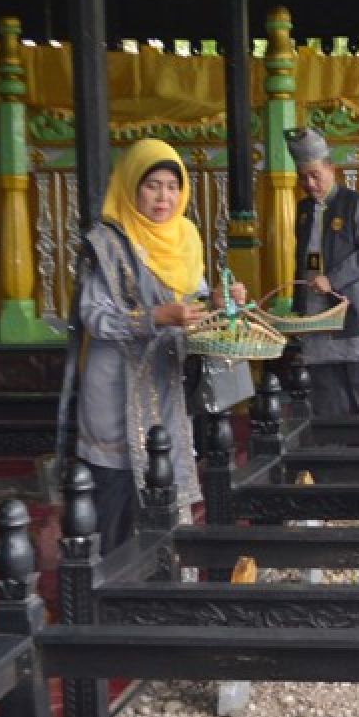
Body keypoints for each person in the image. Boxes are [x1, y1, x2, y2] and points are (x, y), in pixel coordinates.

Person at [72, 138, 244, 554]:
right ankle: (109, 595)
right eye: (152, 185)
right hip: (116, 387)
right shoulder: (106, 243)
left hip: (165, 380)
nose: (163, 196)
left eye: (171, 185)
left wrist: (219, 301)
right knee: (115, 493)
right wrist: (154, 318)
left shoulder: (183, 236)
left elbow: (196, 296)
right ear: (131, 186)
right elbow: (92, 316)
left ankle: (160, 585)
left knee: (161, 479)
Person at [285, 127, 359, 417]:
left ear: (331, 168)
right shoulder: (303, 209)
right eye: (303, 177)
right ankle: (331, 449)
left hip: (348, 308)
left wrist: (333, 279)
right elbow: (301, 262)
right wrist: (298, 308)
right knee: (324, 386)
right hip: (315, 313)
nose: (309, 183)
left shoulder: (356, 204)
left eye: (315, 175)